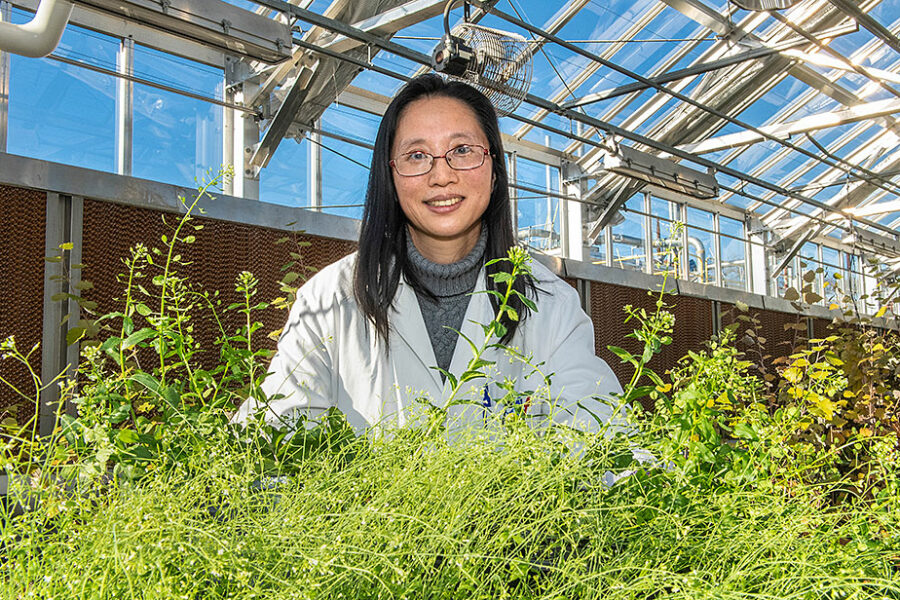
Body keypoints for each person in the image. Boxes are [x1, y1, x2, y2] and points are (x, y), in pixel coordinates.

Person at [234, 74, 624, 435]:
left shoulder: (551, 304)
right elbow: (273, 436)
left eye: (463, 150)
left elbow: (603, 437)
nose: (441, 175)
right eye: (417, 155)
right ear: (390, 175)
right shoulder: (329, 300)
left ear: (494, 170)